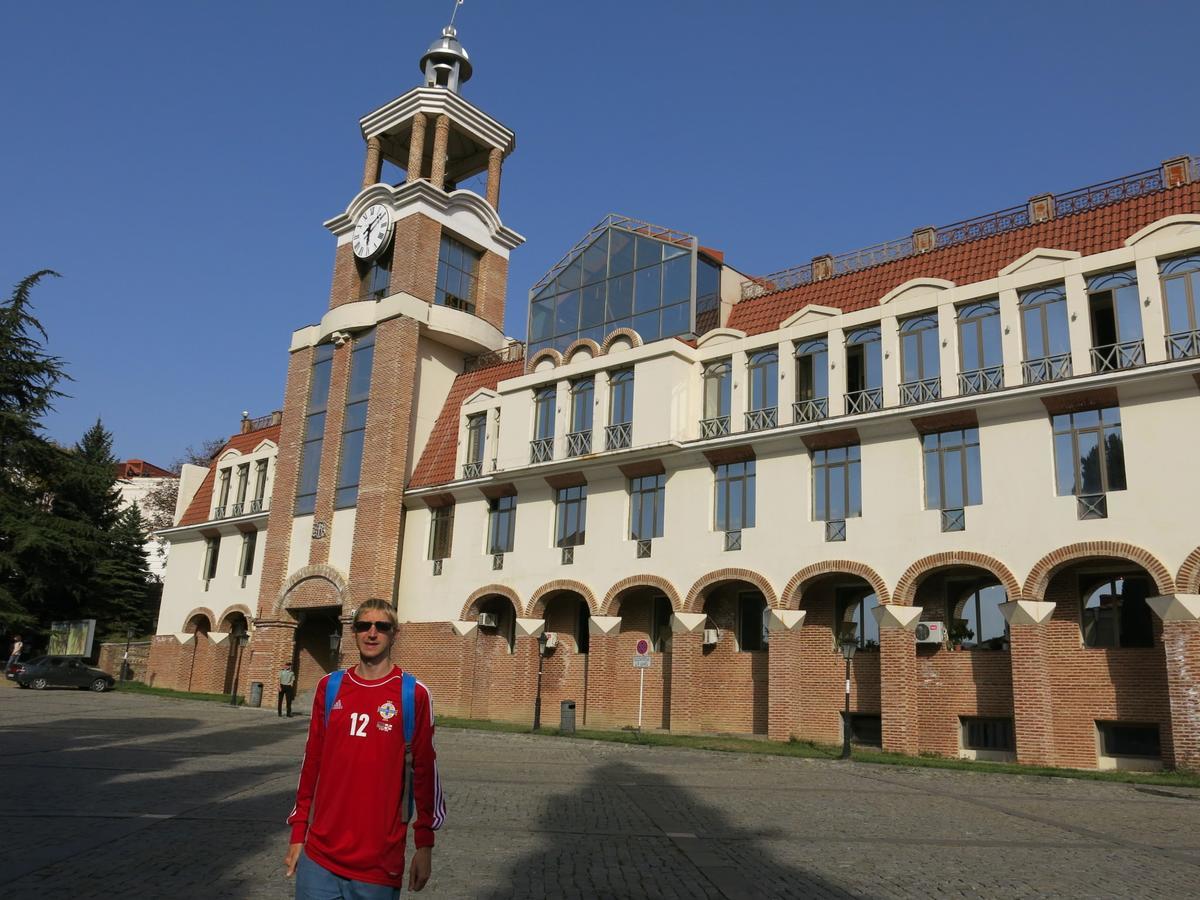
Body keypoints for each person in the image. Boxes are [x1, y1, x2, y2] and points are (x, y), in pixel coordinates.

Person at [285, 599, 444, 897]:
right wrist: (298, 834)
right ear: (353, 632)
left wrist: (424, 845)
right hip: (319, 857)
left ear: (394, 634)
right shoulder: (329, 687)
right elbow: (311, 765)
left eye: (381, 627)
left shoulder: (414, 694)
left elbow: (425, 773)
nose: (372, 633)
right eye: (363, 626)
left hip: (378, 864)